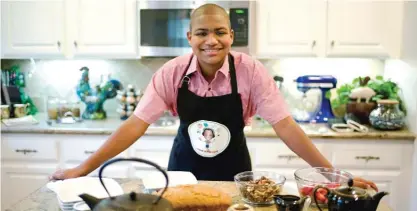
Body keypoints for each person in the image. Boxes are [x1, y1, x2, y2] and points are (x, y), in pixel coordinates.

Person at [50, 3, 377, 190]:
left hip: (236, 176)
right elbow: (134, 126)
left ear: (231, 35)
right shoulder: (171, 73)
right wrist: (83, 168)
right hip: (181, 174)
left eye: (220, 32)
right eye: (202, 33)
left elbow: (286, 127)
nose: (212, 41)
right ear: (190, 37)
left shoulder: (250, 72)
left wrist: (337, 177)